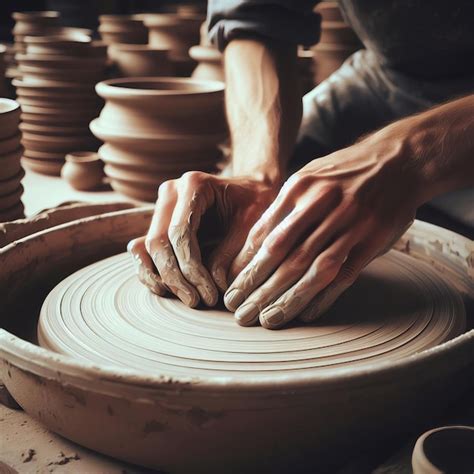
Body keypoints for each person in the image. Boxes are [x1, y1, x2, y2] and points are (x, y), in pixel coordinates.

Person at [128, 0, 474, 330]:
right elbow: (254, 19)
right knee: (278, 203)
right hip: (387, 80)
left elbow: (405, 160)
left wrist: (409, 157)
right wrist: (257, 174)